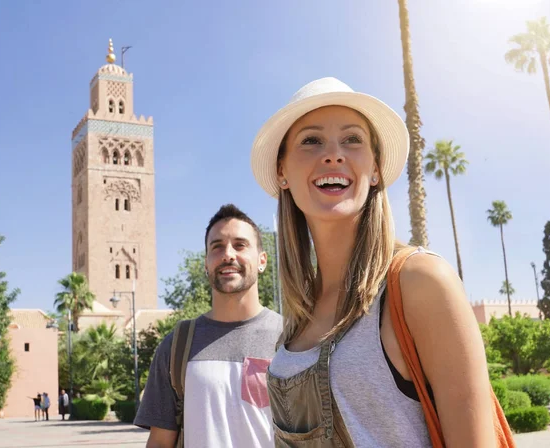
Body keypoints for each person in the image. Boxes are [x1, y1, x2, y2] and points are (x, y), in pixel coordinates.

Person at [250, 77, 499, 447]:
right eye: (311, 140)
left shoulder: (420, 280)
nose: (333, 154)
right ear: (282, 171)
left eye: (352, 139)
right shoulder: (299, 312)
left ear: (377, 168)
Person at [134, 204, 283, 448]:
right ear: (206, 263)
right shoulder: (177, 346)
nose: (228, 254)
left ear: (262, 260)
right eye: (217, 247)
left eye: (240, 244)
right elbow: (160, 442)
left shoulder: (292, 339)